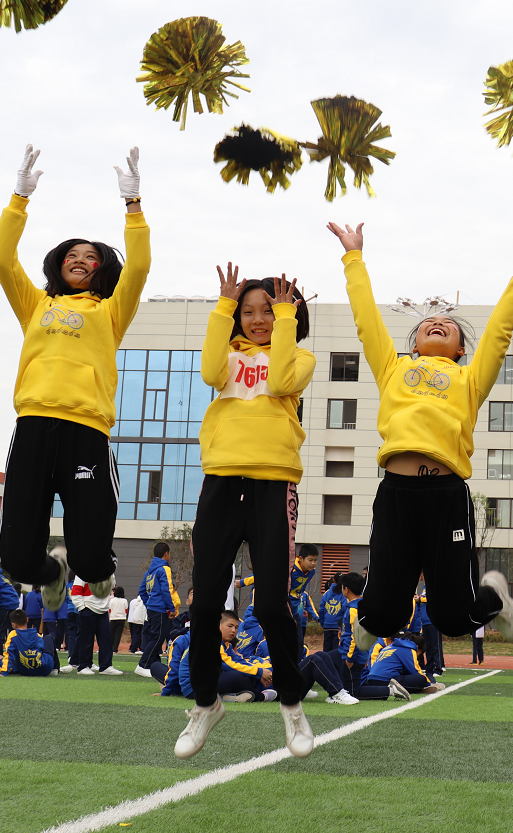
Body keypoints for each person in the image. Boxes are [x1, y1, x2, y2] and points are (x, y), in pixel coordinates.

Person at [326, 218, 513, 649]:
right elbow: (367, 321)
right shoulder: (394, 370)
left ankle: (493, 598)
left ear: (462, 349)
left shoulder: (469, 380)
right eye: (429, 324)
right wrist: (354, 258)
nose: (437, 323)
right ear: (414, 346)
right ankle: (376, 613)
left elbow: (499, 331)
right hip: (395, 494)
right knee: (383, 618)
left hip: (445, 495)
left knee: (453, 617)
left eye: (449, 324)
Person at [0, 145, 149, 624]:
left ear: (101, 270)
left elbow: (139, 268)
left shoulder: (110, 310)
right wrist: (19, 198)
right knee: (17, 559)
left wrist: (133, 205)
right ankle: (50, 573)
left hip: (86, 431)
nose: (81, 259)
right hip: (35, 426)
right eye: (73, 255)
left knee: (91, 558)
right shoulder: (36, 304)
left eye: (92, 257)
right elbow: (1, 259)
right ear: (60, 263)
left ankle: (89, 569)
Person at [177, 266, 315, 760]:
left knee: (272, 605)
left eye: (269, 311)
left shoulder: (300, 358)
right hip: (221, 481)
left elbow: (279, 378)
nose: (258, 320)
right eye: (249, 312)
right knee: (206, 605)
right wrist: (220, 306)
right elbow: (210, 373)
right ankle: (205, 703)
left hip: (273, 483)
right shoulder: (229, 356)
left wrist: (285, 319)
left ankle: (293, 705)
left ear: (287, 316)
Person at [136, 542, 180, 676]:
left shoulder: (149, 572)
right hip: (160, 608)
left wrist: (149, 603)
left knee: (155, 636)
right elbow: (167, 589)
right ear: (166, 554)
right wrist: (171, 608)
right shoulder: (164, 569)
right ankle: (143, 665)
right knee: (158, 637)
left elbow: (142, 591)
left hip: (152, 608)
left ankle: (153, 665)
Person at [71, 574, 121, 675]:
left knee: (106, 639)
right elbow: (76, 591)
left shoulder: (108, 571)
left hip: (103, 610)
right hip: (88, 608)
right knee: (86, 640)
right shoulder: (83, 570)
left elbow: (112, 586)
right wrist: (82, 608)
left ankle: (106, 665)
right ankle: (83, 666)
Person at [363, 634, 442, 696]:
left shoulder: (391, 646)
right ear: (417, 648)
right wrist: (429, 684)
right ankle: (401, 688)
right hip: (387, 680)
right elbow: (415, 670)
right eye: (418, 654)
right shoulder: (409, 649)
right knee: (421, 679)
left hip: (372, 679)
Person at [1, 610, 55, 677]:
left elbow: (8, 653)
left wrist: (4, 672)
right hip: (44, 670)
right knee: (48, 638)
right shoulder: (37, 635)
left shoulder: (12, 635)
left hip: (24, 671)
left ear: (13, 624)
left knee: (13, 658)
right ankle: (56, 668)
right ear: (27, 619)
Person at [319, 577, 345, 653]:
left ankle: (325, 663)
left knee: (326, 648)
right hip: (337, 626)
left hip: (327, 624)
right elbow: (344, 608)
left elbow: (321, 609)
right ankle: (334, 664)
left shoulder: (326, 593)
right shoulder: (343, 593)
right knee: (335, 648)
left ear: (333, 580)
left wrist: (322, 622)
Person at [108, 586, 129, 651]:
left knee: (112, 634)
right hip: (122, 619)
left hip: (113, 618)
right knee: (118, 635)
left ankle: (110, 648)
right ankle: (115, 649)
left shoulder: (112, 600)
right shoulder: (125, 600)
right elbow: (126, 610)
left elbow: (109, 610)